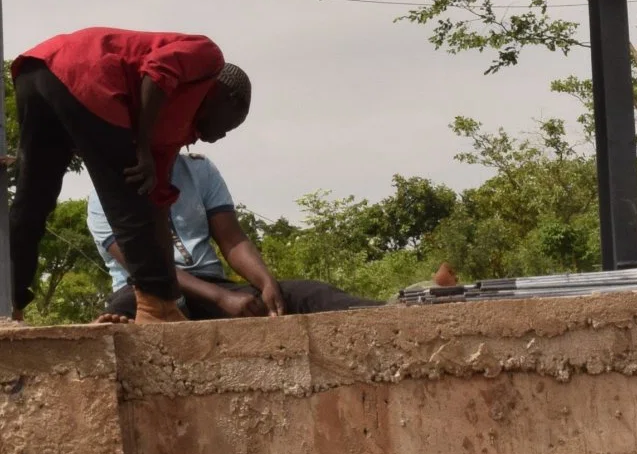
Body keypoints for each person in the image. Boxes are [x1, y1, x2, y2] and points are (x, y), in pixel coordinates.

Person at [9, 27, 250, 323]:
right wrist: (144, 147)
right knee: (128, 195)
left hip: (36, 72)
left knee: (33, 199)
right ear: (231, 99)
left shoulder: (172, 132)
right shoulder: (208, 57)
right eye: (230, 126)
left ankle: (10, 301)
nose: (220, 136)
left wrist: (174, 294)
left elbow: (156, 210)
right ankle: (154, 309)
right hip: (85, 71)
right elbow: (157, 70)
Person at [88, 150, 379, 321]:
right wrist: (220, 299)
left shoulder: (199, 169)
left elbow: (232, 239)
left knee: (310, 294)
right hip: (147, 291)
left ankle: (397, 311)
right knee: (124, 312)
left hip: (213, 286)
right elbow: (147, 268)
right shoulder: (104, 195)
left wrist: (265, 281)